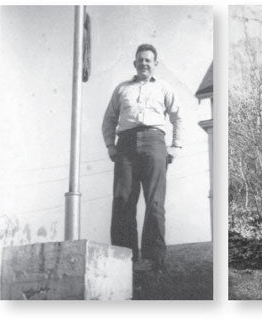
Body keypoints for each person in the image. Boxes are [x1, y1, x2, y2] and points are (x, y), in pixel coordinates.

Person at [102, 43, 183, 272]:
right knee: (122, 201)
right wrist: (110, 145)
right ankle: (123, 258)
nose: (144, 63)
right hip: (125, 145)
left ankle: (154, 259)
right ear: (134, 62)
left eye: (148, 60)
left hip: (154, 142)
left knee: (155, 202)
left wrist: (175, 146)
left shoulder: (164, 88)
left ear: (155, 64)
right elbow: (108, 120)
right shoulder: (121, 89)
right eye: (140, 59)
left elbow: (178, 117)